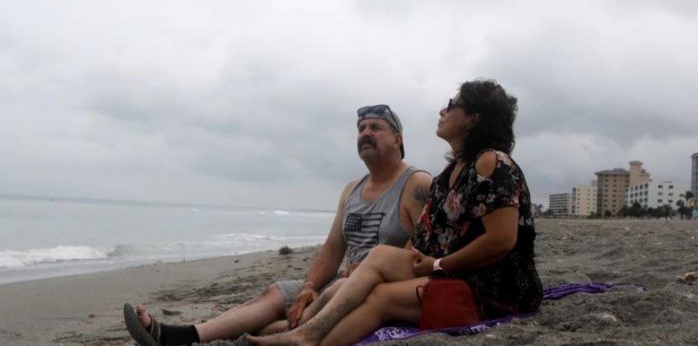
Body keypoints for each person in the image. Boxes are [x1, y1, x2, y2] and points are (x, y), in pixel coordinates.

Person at [248, 79, 542, 346]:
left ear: (474, 118)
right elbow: (424, 237)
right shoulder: (448, 175)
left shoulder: (491, 161)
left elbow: (501, 241)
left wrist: (438, 265)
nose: (442, 111)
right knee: (378, 256)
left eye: (452, 105)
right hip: (457, 273)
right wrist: (371, 270)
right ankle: (307, 331)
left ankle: (309, 337)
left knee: (380, 296)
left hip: (493, 288)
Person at [123, 105, 432, 346]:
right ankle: (179, 335)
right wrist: (309, 287)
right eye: (361, 128)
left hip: (377, 286)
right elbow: (332, 249)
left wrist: (361, 275)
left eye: (376, 127)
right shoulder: (352, 189)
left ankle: (274, 332)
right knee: (277, 294)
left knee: (327, 295)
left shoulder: (416, 184)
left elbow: (420, 250)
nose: (365, 133)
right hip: (341, 281)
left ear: (398, 139)